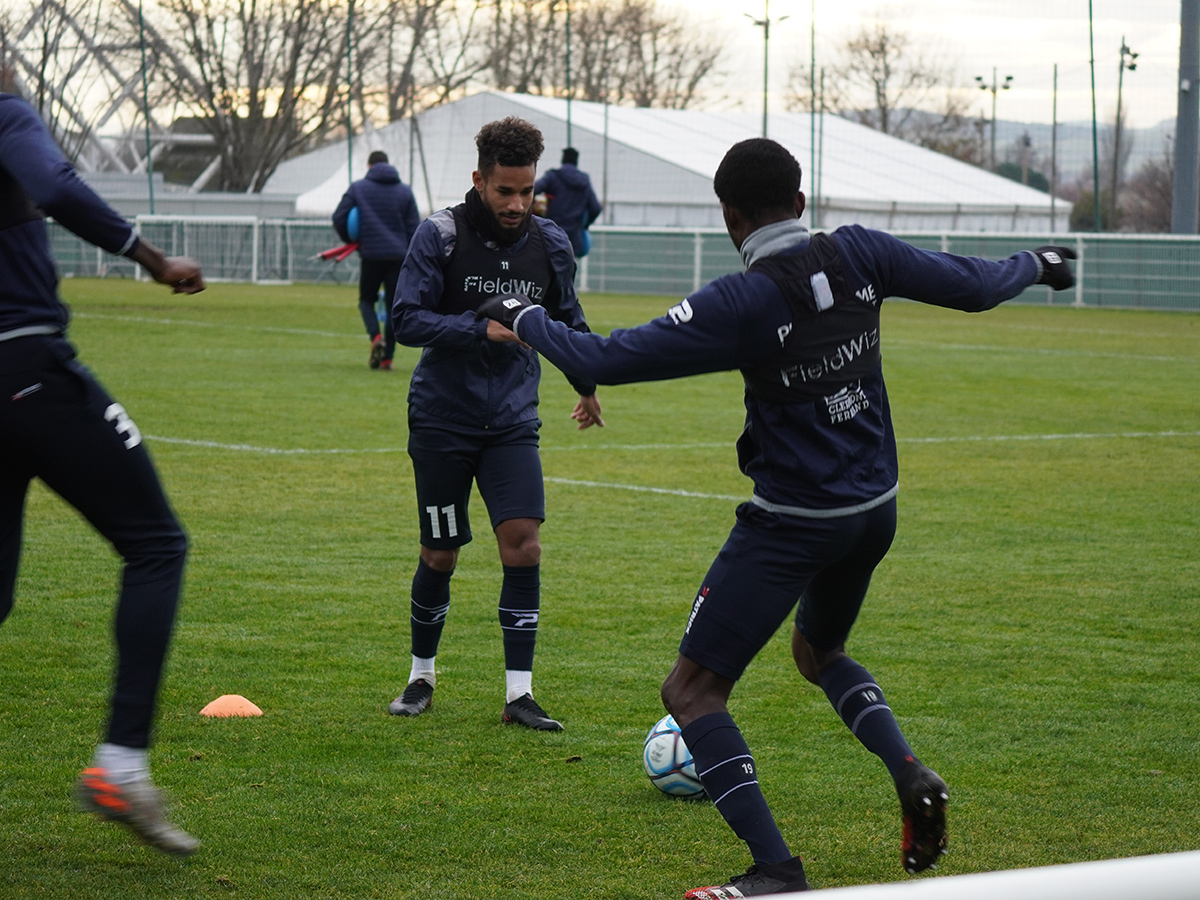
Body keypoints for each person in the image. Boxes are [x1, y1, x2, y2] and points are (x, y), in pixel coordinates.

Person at [478, 138, 1076, 896]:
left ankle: (777, 871)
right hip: (875, 510)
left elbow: (605, 359)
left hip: (795, 521)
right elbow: (978, 284)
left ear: (730, 218)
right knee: (819, 653)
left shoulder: (743, 301)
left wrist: (522, 314)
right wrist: (1040, 263)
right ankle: (910, 772)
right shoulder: (861, 251)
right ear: (799, 202)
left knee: (691, 693)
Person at [1, 90, 207, 855]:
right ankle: (121, 765)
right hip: (26, 370)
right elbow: (54, 186)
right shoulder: (3, 109)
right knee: (157, 544)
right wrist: (153, 259)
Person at [389, 117, 604, 731]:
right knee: (440, 554)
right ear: (479, 179)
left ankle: (519, 695)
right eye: (504, 191)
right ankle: (421, 678)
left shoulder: (551, 243)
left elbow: (568, 319)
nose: (516, 204)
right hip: (441, 420)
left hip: (512, 420)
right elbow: (405, 319)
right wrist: (478, 328)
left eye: (526, 191)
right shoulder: (440, 235)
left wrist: (586, 384)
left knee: (524, 543)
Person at [333, 150, 420, 370]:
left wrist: (353, 240)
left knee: (366, 300)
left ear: (369, 166)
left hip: (371, 255)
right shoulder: (405, 191)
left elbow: (339, 217)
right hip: (399, 257)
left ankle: (375, 337)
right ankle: (387, 359)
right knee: (393, 307)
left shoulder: (358, 188)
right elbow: (414, 228)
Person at [534, 147, 602, 258]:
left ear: (563, 160)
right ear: (576, 161)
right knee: (568, 265)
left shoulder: (553, 177)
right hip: (574, 237)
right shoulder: (584, 181)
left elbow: (533, 190)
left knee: (548, 264)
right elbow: (596, 208)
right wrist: (584, 225)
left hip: (552, 233)